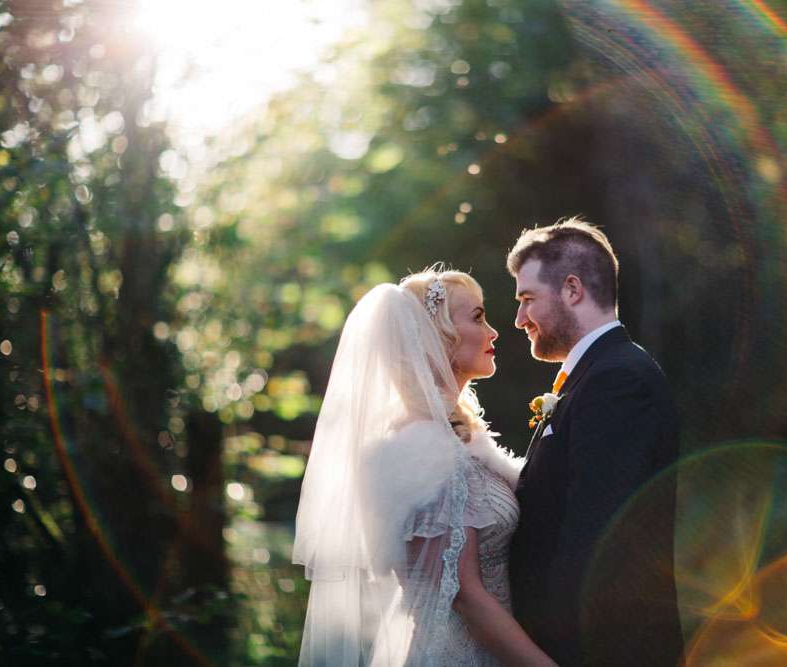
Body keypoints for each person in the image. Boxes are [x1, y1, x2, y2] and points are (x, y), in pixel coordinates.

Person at [293, 267, 557, 666]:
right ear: (439, 338)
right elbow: (465, 597)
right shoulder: (420, 451)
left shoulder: (460, 439)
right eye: (478, 317)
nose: (493, 332)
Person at [507, 219, 683, 665]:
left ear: (572, 289)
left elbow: (598, 542)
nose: (519, 320)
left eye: (527, 299)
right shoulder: (596, 376)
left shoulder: (618, 380)